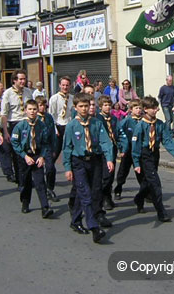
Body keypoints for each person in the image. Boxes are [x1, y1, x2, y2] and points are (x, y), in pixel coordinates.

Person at [62, 92, 114, 243]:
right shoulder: (72, 126)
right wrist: (67, 168)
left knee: (91, 191)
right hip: (79, 162)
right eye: (81, 106)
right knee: (86, 194)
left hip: (95, 160)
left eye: (87, 106)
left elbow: (105, 141)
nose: (84, 109)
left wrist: (109, 159)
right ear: (75, 107)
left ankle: (75, 221)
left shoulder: (96, 123)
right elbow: (67, 148)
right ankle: (94, 228)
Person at [131, 96, 174, 222]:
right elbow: (135, 146)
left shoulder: (159, 124)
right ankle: (161, 212)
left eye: (156, 107)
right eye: (153, 108)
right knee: (155, 184)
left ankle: (139, 198)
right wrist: (136, 162)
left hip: (155, 154)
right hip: (145, 155)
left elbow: (167, 139)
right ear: (146, 109)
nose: (157, 110)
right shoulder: (140, 125)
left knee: (147, 182)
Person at [11, 99, 55, 218]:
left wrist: (42, 156)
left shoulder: (41, 125)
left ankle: (45, 207)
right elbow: (15, 142)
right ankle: (25, 202)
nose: (32, 111)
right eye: (30, 109)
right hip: (24, 155)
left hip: (36, 155)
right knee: (25, 182)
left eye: (34, 109)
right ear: (25, 110)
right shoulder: (20, 126)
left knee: (40, 182)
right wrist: (24, 156)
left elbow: (46, 143)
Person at [1, 70, 34, 184]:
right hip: (15, 124)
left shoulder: (28, 92)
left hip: (27, 123)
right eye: (20, 79)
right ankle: (21, 180)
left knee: (29, 151)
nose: (23, 81)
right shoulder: (8, 93)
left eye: (24, 79)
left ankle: (28, 178)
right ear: (14, 80)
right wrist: (5, 132)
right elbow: (4, 114)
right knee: (17, 153)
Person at [48, 76, 74, 200]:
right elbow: (51, 115)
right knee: (53, 155)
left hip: (69, 128)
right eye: (63, 85)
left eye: (67, 85)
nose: (65, 87)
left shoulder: (72, 98)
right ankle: (49, 186)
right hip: (58, 127)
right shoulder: (54, 98)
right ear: (59, 85)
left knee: (71, 155)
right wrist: (54, 129)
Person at [114, 99, 143, 200]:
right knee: (123, 171)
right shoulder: (127, 120)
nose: (139, 110)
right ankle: (118, 189)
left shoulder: (143, 120)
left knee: (140, 172)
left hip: (139, 149)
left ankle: (145, 193)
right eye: (136, 108)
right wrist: (121, 148)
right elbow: (118, 133)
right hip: (128, 149)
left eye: (140, 108)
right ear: (131, 110)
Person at [97, 95, 118, 210]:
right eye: (105, 105)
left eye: (109, 105)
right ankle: (104, 197)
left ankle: (107, 195)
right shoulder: (97, 119)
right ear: (100, 107)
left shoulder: (113, 119)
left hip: (112, 149)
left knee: (110, 175)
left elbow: (118, 132)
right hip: (102, 150)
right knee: (105, 175)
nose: (108, 107)